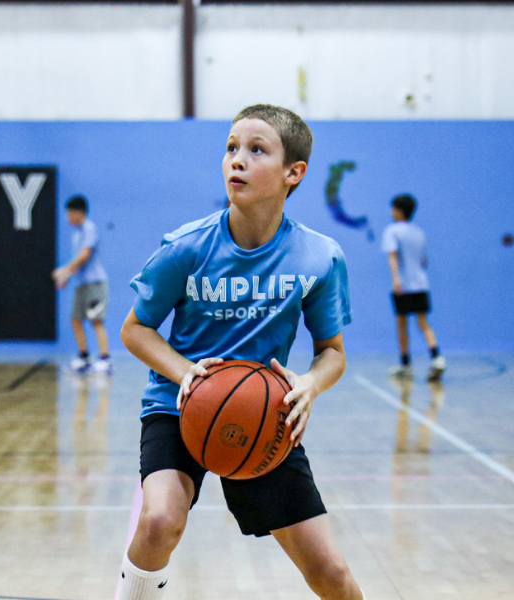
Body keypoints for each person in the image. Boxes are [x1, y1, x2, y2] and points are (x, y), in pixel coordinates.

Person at [116, 104, 364, 600]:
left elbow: (331, 352)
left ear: (294, 173)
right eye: (231, 148)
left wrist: (309, 384)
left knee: (330, 572)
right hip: (178, 404)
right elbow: (135, 329)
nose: (237, 160)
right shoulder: (187, 247)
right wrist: (187, 373)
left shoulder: (319, 257)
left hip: (264, 416)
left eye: (256, 150)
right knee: (160, 519)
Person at [381, 193, 446, 381]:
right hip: (421, 284)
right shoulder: (419, 232)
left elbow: (392, 256)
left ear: (399, 211)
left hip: (403, 285)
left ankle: (406, 363)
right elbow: (424, 261)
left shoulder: (392, 231)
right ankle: (437, 358)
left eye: (394, 208)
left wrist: (396, 280)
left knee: (402, 324)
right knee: (423, 322)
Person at [52, 195, 111, 374]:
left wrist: (64, 271)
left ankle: (105, 359)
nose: (68, 217)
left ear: (79, 213)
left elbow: (85, 255)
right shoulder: (78, 233)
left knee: (96, 320)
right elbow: (79, 263)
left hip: (95, 284)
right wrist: (68, 277)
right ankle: (84, 357)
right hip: (81, 284)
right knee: (76, 319)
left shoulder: (89, 228)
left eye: (70, 213)